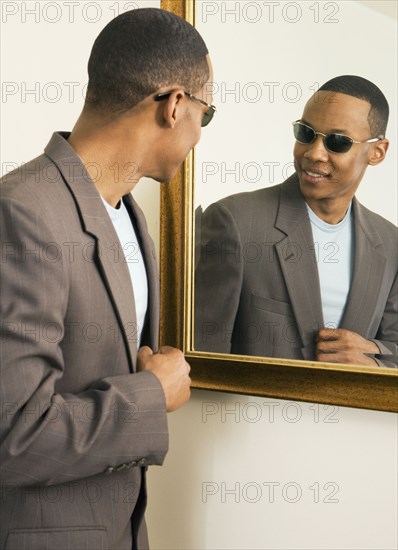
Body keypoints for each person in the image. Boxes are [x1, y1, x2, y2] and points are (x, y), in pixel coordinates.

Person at [0, 8, 215, 550]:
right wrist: (152, 394)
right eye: (205, 115)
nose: (199, 133)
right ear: (173, 105)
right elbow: (13, 435)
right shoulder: (22, 212)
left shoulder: (128, 213)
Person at [195, 75, 397, 368]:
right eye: (305, 133)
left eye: (337, 142)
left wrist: (373, 360)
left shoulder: (391, 245)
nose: (314, 153)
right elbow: (200, 360)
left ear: (377, 152)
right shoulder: (235, 222)